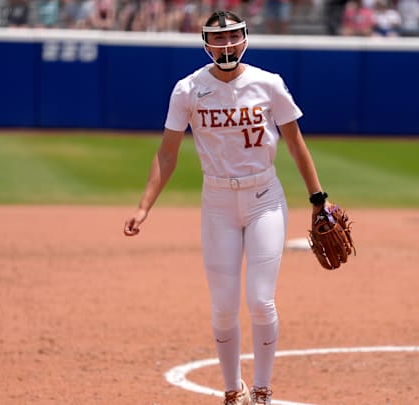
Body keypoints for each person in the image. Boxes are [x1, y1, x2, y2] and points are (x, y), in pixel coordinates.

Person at [123, 10, 330, 405]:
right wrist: (144, 207)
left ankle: (263, 389)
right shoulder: (187, 89)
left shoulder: (268, 84)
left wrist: (318, 198)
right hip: (217, 202)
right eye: (218, 39)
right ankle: (233, 390)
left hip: (264, 198)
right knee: (222, 307)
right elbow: (167, 155)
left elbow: (295, 144)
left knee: (259, 300)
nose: (227, 45)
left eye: (233, 37)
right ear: (205, 43)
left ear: (245, 38)